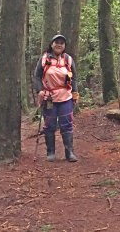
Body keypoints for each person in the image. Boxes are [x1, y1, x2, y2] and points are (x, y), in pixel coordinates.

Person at [34, 34, 79, 162]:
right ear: (51, 44)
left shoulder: (68, 60)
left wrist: (75, 93)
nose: (59, 45)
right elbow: (37, 76)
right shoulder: (44, 59)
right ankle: (50, 152)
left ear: (64, 46)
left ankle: (69, 152)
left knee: (67, 124)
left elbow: (73, 77)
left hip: (66, 96)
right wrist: (40, 90)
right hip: (49, 97)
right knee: (49, 125)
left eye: (62, 43)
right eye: (56, 42)